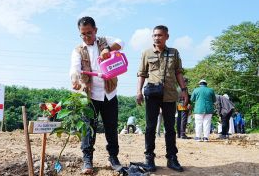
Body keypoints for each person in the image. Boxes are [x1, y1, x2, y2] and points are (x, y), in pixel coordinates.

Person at [70, 16, 124, 174]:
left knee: (111, 127)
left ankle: (113, 158)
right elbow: (74, 69)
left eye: (89, 33)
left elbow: (122, 42)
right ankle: (87, 161)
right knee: (88, 128)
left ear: (95, 30)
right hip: (90, 95)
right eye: (83, 34)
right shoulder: (78, 50)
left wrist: (109, 49)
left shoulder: (104, 41)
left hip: (109, 93)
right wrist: (75, 80)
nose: (86, 37)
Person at [136, 25, 187, 172]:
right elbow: (142, 74)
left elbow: (178, 72)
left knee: (170, 128)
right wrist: (138, 91)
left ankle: (172, 158)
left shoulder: (174, 52)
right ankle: (149, 158)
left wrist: (183, 90)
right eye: (154, 35)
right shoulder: (147, 53)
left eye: (160, 35)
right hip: (152, 94)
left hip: (170, 94)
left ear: (166, 37)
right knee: (150, 127)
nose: (157, 38)